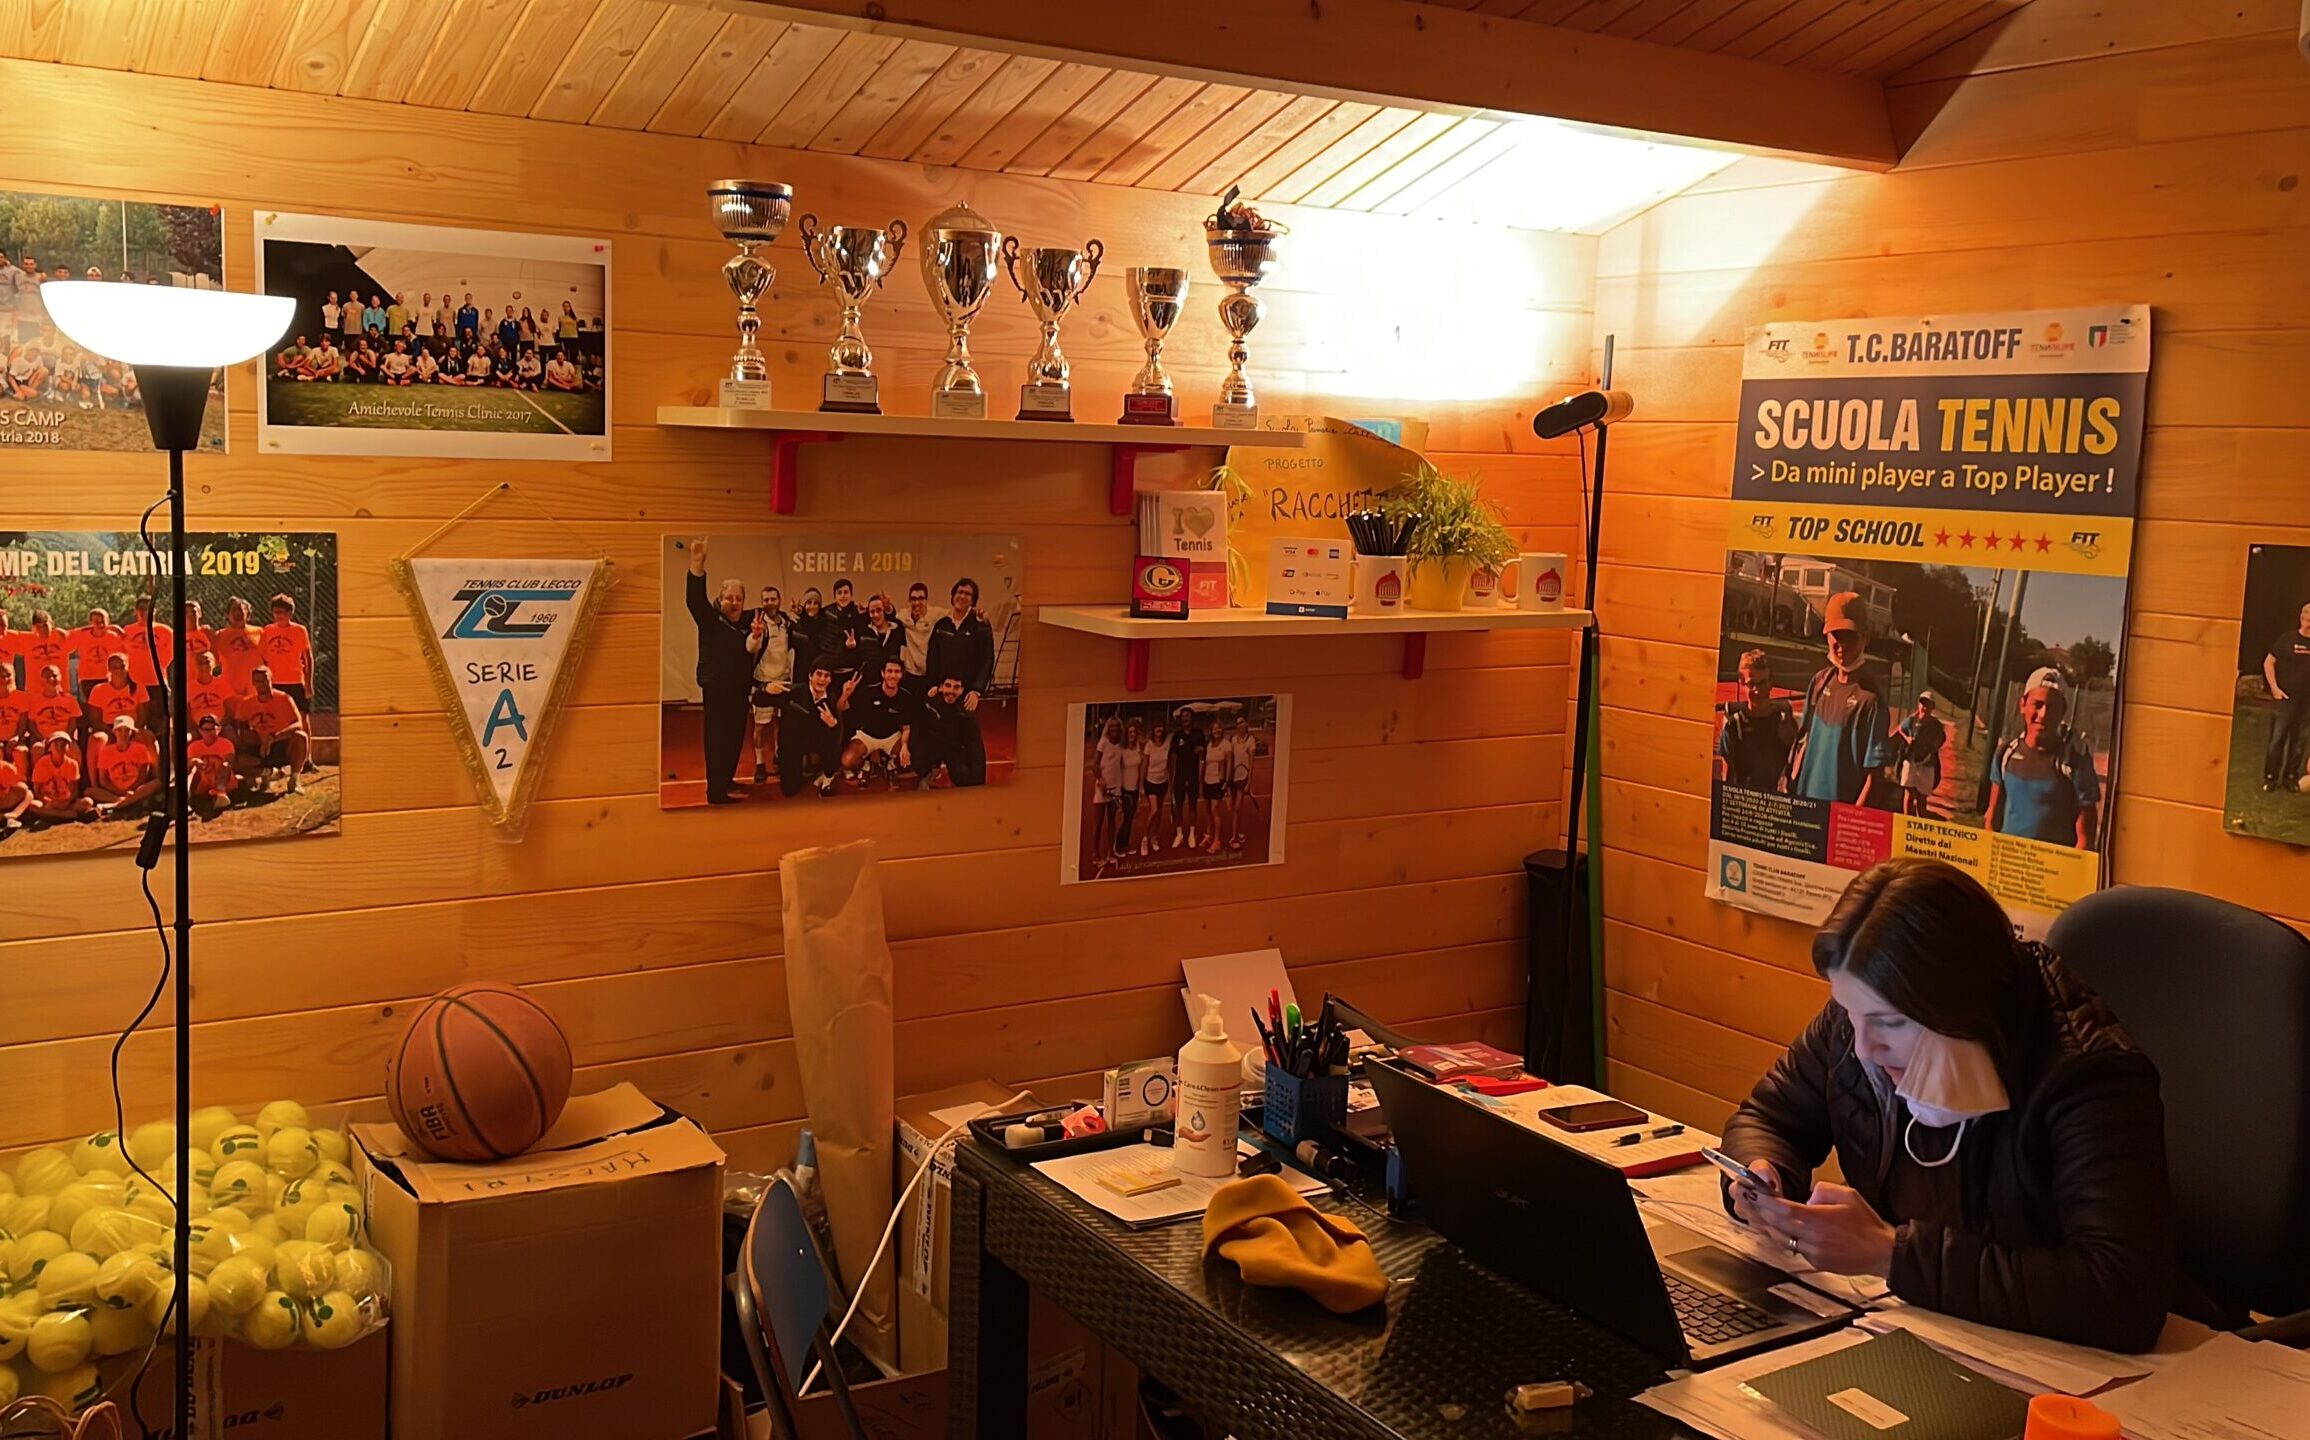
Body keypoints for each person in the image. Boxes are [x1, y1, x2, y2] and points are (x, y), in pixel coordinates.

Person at [1721, 857, 2198, 1351]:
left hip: (2066, 1359)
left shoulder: (2087, 1074)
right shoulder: (1862, 1018)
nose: (1863, 1047)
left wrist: (1889, 1254)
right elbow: (1769, 1117)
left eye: (1890, 1023)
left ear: (1960, 1003)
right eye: (1849, 1011)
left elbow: (2121, 1294)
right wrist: (1762, 1174)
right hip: (1920, 1325)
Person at [1787, 591, 1893, 806]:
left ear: (1865, 637)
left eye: (1850, 636)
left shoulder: (1871, 701)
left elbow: (1874, 779)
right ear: (1826, 636)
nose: (1842, 645)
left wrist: (1849, 820)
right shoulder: (1819, 682)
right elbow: (1804, 743)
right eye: (1836, 634)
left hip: (1839, 818)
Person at [1987, 667, 2101, 849]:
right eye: (2037, 705)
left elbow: (2086, 835)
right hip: (2007, 860)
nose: (2043, 714)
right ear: (2023, 705)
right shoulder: (2005, 754)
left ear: (2062, 712)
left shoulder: (2075, 760)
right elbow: (1992, 816)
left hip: (2053, 866)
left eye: (2053, 707)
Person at [682, 539, 757, 805]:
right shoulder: (711, 619)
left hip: (739, 690)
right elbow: (694, 600)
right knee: (717, 740)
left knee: (735, 738)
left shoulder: (747, 621)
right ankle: (715, 791)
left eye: (739, 598)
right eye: (729, 598)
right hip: (717, 690)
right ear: (720, 599)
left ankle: (726, 780)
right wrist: (697, 563)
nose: (734, 603)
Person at [1716, 648, 1795, 791]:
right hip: (1744, 799)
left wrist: (1790, 741)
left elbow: (1796, 771)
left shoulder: (1785, 722)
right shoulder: (1733, 726)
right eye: (1752, 684)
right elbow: (1727, 777)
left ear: (1771, 682)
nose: (1758, 690)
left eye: (1763, 682)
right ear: (1741, 683)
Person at [841, 658, 917, 789]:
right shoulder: (868, 692)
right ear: (883, 673)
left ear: (901, 674)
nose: (893, 675)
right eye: (889, 671)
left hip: (892, 737)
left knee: (911, 758)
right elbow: (841, 708)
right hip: (867, 736)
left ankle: (890, 766)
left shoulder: (906, 697)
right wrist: (845, 695)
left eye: (897, 672)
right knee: (847, 760)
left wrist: (905, 746)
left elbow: (906, 727)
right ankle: (867, 766)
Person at [232, 665, 308, 795]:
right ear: (253, 683)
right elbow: (239, 728)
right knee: (238, 762)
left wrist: (273, 737)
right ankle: (269, 773)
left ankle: (294, 780)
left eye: (264, 680)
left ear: (271, 679)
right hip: (258, 747)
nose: (261, 684)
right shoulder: (246, 703)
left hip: (279, 744)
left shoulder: (284, 698)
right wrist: (252, 739)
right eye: (257, 681)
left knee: (301, 736)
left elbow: (298, 724)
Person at [2261, 600, 2310, 792]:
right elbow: (2268, 662)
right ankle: (2271, 778)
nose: (2309, 621)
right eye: (2307, 617)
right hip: (2286, 699)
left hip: (2307, 703)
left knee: (2299, 741)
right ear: (2301, 617)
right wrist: (2274, 688)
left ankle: (2290, 778)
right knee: (2277, 739)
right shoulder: (2286, 640)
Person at [926, 578, 995, 714]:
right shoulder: (941, 624)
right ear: (953, 596)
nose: (962, 596)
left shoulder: (980, 626)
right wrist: (933, 684)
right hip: (943, 692)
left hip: (967, 696)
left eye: (967, 594)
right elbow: (932, 657)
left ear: (973, 600)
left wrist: (976, 690)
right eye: (959, 592)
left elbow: (988, 659)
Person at [746, 585, 793, 786]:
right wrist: (756, 635)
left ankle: (778, 756)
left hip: (784, 682)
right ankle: (759, 763)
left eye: (773, 599)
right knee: (760, 726)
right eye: (766, 600)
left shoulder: (787, 623)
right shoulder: (759, 624)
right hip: (763, 683)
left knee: (780, 723)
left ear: (779, 600)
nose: (770, 603)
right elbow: (750, 648)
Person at [779, 657, 844, 799]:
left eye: (826, 676)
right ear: (810, 676)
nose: (822, 679)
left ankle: (827, 777)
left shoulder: (831, 699)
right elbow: (759, 699)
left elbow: (838, 735)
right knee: (790, 789)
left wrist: (832, 724)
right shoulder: (794, 692)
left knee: (835, 745)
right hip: (793, 742)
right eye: (819, 674)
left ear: (830, 679)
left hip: (816, 740)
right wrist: (765, 688)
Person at [914, 676, 985, 789]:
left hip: (953, 749)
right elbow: (918, 723)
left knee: (964, 777)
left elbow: (976, 747)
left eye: (956, 687)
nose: (951, 691)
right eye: (948, 686)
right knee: (917, 758)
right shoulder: (930, 701)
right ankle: (927, 775)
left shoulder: (967, 714)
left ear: (962, 690)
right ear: (941, 687)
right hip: (932, 744)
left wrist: (979, 783)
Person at [89, 717, 160, 818]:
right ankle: (129, 802)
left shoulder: (140, 749)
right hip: (115, 792)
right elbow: (103, 780)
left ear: (132, 732)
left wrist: (133, 790)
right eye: (119, 730)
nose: (123, 734)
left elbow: (143, 775)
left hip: (135, 790)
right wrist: (123, 793)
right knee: (90, 791)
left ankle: (112, 806)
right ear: (114, 732)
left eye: (127, 730)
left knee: (156, 784)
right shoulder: (106, 752)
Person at [260, 594, 315, 716]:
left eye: (282, 612)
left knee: (301, 715)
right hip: (275, 682)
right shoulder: (267, 630)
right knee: (277, 716)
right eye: (275, 612)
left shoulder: (299, 630)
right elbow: (262, 655)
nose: (278, 615)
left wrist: (308, 684)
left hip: (295, 681)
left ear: (289, 613)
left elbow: (308, 658)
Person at [1894, 692, 1946, 818]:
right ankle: (1906, 820)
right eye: (1922, 704)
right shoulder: (1912, 720)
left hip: (1927, 764)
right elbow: (1900, 728)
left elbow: (1942, 738)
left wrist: (1933, 747)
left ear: (1932, 708)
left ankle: (1919, 820)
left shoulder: (1936, 725)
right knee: (1908, 793)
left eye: (1928, 705)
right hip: (1911, 761)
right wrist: (1907, 738)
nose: (1924, 708)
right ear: (1919, 705)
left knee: (1922, 797)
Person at [27, 732, 95, 824]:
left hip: (67, 803)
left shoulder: (72, 764)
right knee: (33, 805)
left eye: (63, 744)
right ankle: (70, 816)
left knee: (88, 802)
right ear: (49, 748)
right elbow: (37, 790)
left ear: (68, 748)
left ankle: (55, 816)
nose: (60, 747)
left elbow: (74, 790)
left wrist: (65, 803)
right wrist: (48, 802)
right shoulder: (41, 764)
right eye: (56, 744)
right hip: (49, 803)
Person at [187, 713, 239, 817]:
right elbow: (188, 766)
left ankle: (220, 793)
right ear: (200, 731)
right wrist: (194, 761)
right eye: (205, 729)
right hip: (203, 781)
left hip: (222, 781)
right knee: (193, 769)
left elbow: (230, 763)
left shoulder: (226, 744)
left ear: (218, 729)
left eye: (212, 729)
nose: (209, 733)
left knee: (225, 765)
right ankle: (186, 798)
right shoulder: (193, 747)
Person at [1090, 716, 1127, 858]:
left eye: (1116, 726)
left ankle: (1110, 850)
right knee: (1098, 822)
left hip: (1115, 788)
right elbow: (1094, 764)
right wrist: (1101, 780)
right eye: (1111, 726)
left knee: (1112, 821)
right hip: (1102, 788)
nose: (1114, 728)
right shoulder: (1103, 742)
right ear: (1108, 728)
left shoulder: (1121, 745)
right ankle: (1095, 850)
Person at [69, 607, 126, 699]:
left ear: (108, 621)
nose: (100, 624)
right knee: (92, 703)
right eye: (96, 621)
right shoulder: (82, 635)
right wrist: (87, 628)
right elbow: (67, 637)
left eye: (103, 621)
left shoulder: (114, 637)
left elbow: (127, 648)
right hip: (88, 678)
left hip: (108, 677)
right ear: (90, 622)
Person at [1169, 707, 1206, 848]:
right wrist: (1171, 780)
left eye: (1187, 716)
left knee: (1192, 805)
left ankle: (1191, 834)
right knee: (1178, 806)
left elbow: (1203, 753)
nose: (1185, 718)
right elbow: (1172, 757)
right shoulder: (1176, 736)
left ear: (1192, 718)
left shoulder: (1199, 733)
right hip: (1179, 776)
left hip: (1193, 775)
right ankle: (1179, 834)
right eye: (1183, 716)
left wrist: (1201, 751)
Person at [213, 597, 263, 698]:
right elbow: (214, 661)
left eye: (240, 610)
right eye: (233, 610)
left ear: (248, 613)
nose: (237, 613)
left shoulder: (260, 632)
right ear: (228, 615)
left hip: (254, 685)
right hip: (230, 685)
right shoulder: (220, 635)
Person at [1198, 712, 1232, 854]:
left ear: (1222, 730)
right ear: (1211, 732)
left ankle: (1217, 841)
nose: (1216, 731)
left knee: (1215, 810)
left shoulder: (1227, 745)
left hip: (1218, 782)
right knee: (1207, 811)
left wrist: (1227, 782)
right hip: (1207, 781)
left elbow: (1229, 764)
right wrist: (1201, 781)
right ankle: (1209, 835)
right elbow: (1204, 763)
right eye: (1214, 729)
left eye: (1218, 728)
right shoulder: (1209, 745)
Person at [1139, 717, 1172, 855]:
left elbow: (1169, 764)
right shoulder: (1149, 745)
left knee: (1159, 813)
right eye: (1156, 727)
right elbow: (1144, 766)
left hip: (1163, 782)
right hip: (1150, 782)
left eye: (1161, 727)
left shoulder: (1167, 743)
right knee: (1154, 810)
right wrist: (1141, 785)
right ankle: (1145, 838)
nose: (1159, 729)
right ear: (1153, 730)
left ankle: (1154, 837)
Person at [1225, 714, 1259, 850]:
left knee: (1237, 807)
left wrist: (1249, 783)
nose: (1239, 725)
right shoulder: (1233, 740)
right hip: (1233, 778)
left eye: (1241, 722)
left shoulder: (1251, 740)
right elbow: (1229, 759)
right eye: (1237, 723)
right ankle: (1239, 831)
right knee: (1237, 809)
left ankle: (1233, 838)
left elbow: (1252, 763)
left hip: (1243, 778)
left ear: (1246, 724)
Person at [898, 582, 936, 698]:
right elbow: (889, 616)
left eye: (921, 598)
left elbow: (956, 615)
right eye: (913, 599)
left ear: (926, 600)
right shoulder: (903, 615)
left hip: (929, 675)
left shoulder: (936, 614)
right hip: (910, 675)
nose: (917, 603)